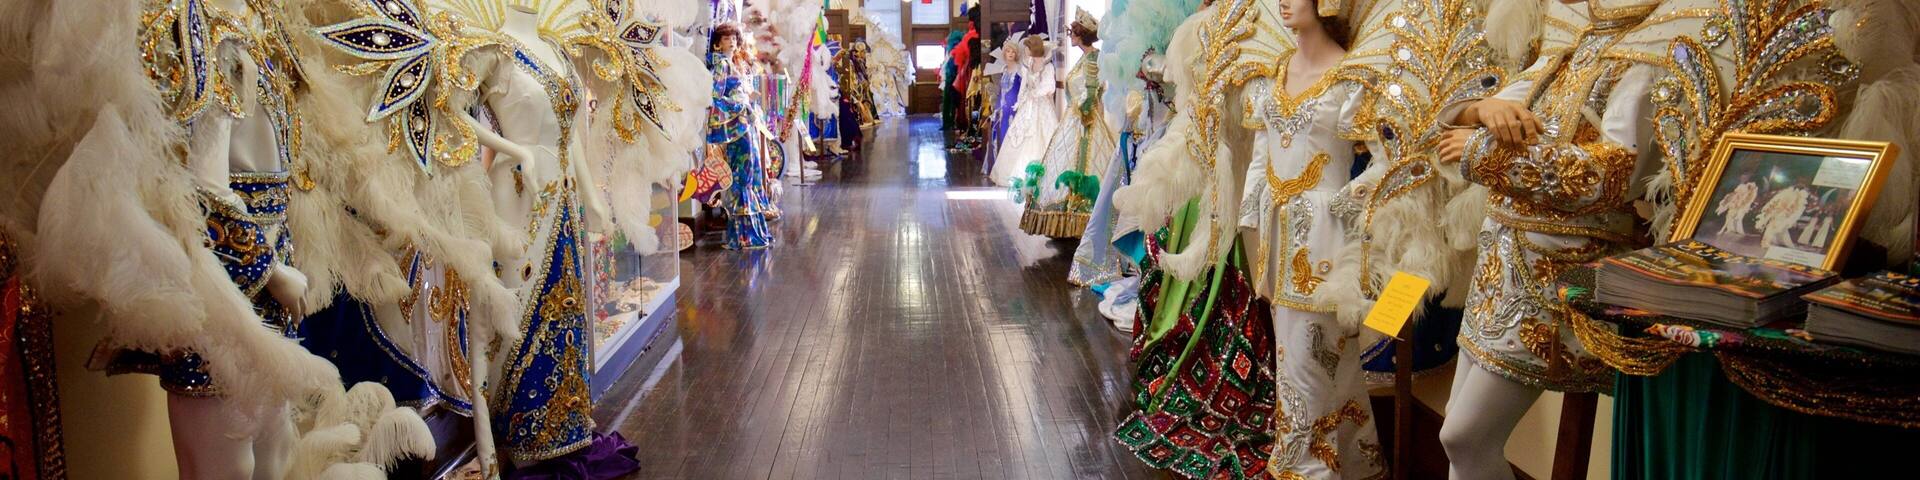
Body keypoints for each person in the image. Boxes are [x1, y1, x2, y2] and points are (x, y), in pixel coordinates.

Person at [1015, 9, 1118, 239]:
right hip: (1075, 120)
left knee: (1085, 165)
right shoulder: (1085, 58)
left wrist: (1082, 114)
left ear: (1081, 34)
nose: (1070, 36)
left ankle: (1080, 218)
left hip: (1085, 121)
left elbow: (1092, 92)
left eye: (1073, 32)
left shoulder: (1093, 59)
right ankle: (1067, 220)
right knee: (1065, 163)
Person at [707, 24, 777, 249]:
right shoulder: (721, 65)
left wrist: (748, 98)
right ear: (718, 42)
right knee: (742, 173)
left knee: (751, 169)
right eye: (726, 39)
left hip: (745, 122)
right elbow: (715, 96)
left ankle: (749, 233)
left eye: (734, 38)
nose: (732, 42)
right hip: (737, 125)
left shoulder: (733, 63)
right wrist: (741, 105)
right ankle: (742, 235)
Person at [989, 35, 1063, 186]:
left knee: (1040, 135)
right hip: (1027, 106)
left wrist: (1034, 94)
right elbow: (1024, 85)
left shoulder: (1047, 67)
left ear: (1033, 48)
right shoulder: (1028, 64)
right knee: (1018, 136)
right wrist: (1021, 100)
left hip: (1041, 106)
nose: (1026, 51)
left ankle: (1041, 174)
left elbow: (1049, 86)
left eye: (1027, 48)